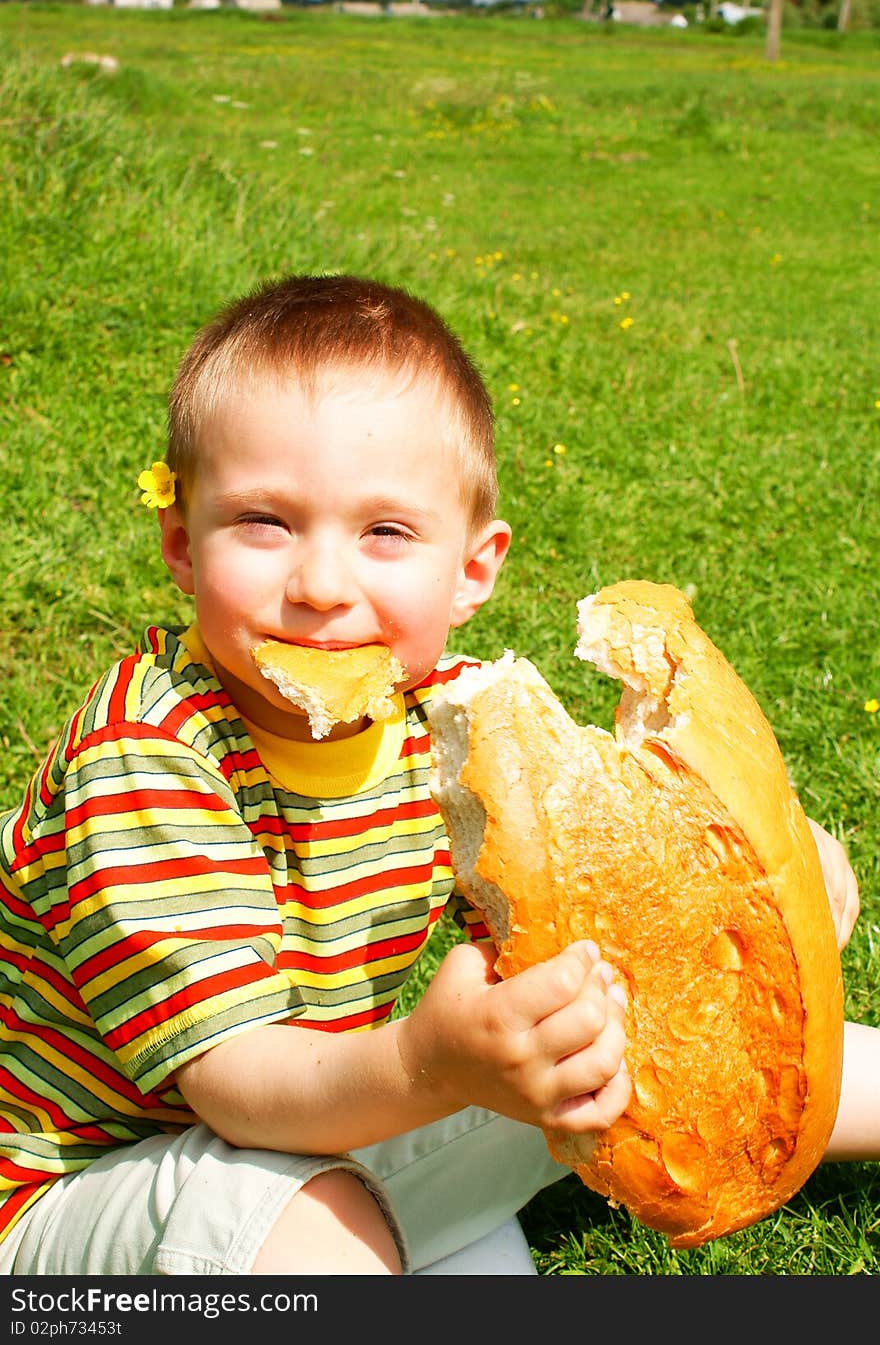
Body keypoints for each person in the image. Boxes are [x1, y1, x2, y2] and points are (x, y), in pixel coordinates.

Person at [0, 274, 871, 1277]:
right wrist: (426, 1063)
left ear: (472, 569)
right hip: (77, 1192)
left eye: (385, 532)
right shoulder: (147, 756)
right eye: (264, 522)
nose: (323, 585)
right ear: (180, 544)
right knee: (311, 1220)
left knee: (598, 1025)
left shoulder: (450, 715)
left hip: (318, 1127)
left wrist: (766, 890)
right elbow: (235, 1084)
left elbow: (610, 909)